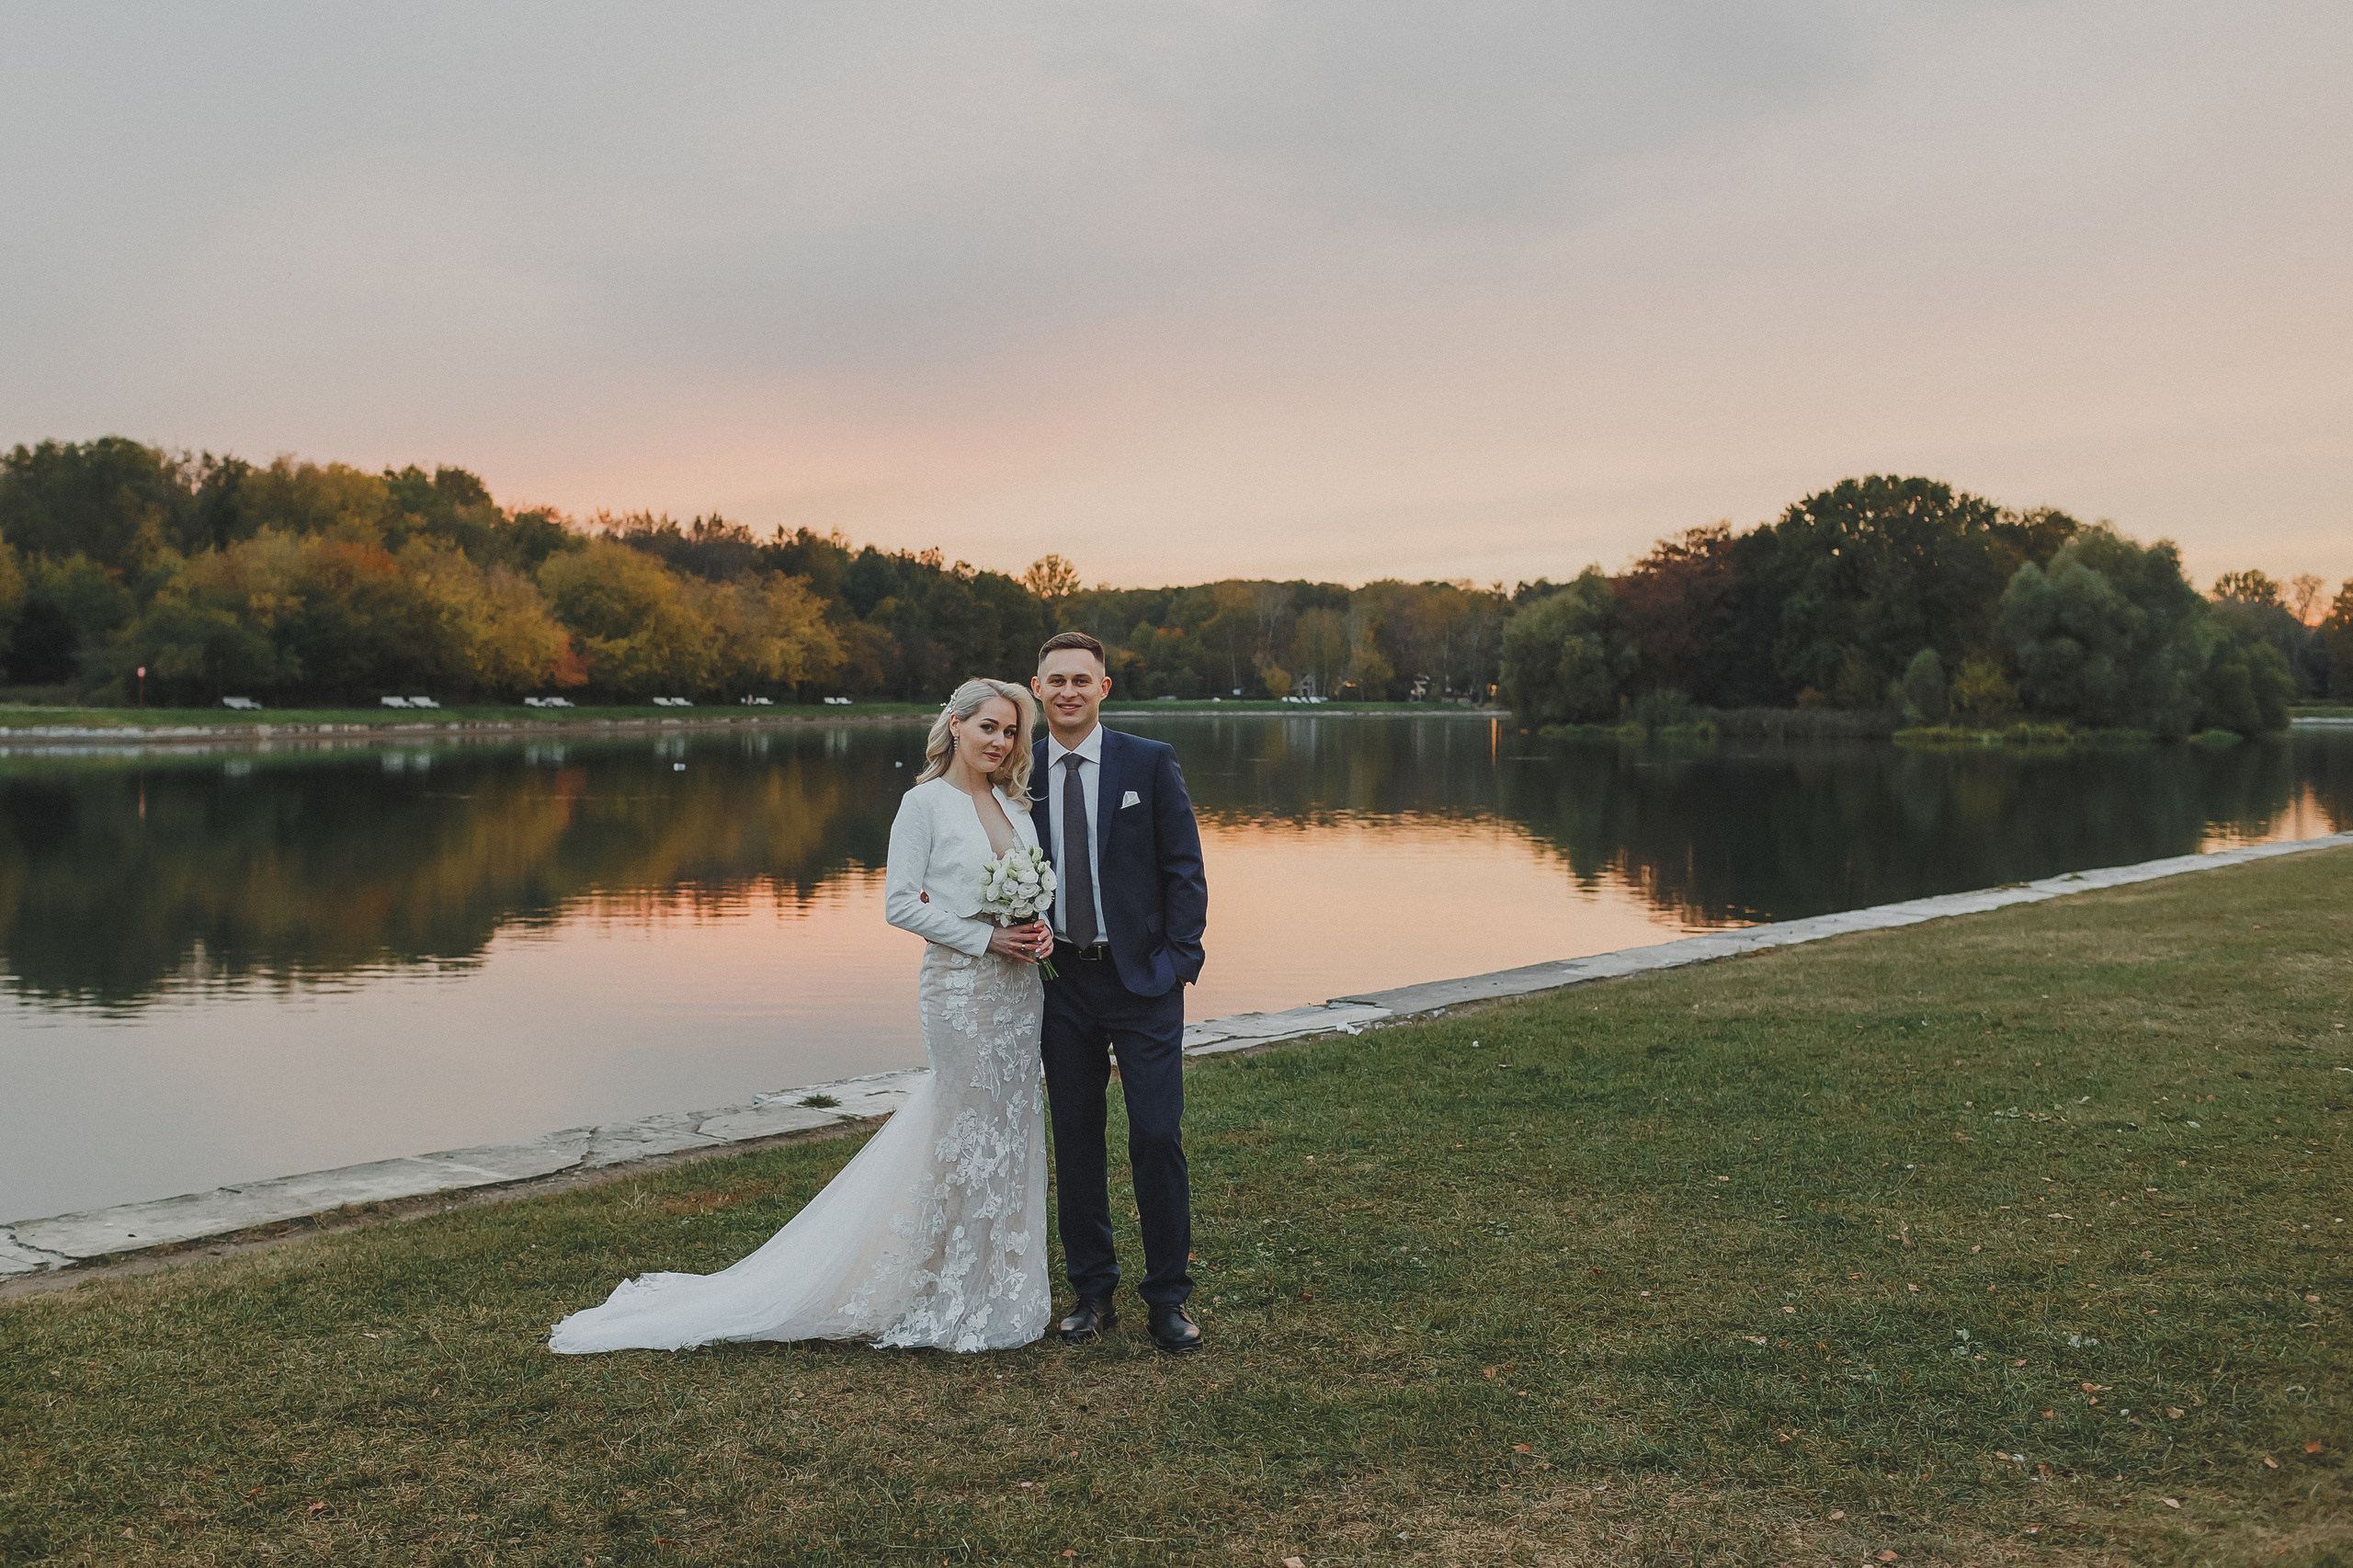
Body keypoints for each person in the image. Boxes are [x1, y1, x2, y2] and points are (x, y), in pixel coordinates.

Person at [548, 678, 1056, 1355]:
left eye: (1011, 731)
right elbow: (900, 904)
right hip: (961, 991)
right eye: (988, 727)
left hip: (1019, 994)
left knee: (1012, 1124)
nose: (1000, 741)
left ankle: (1002, 1288)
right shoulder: (923, 805)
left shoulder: (1015, 806)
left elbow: (1027, 889)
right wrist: (984, 937)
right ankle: (945, 1290)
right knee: (962, 1128)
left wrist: (1037, 927)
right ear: (955, 726)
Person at [1029, 631, 1210, 1353]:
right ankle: (1092, 1291)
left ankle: (1168, 1298)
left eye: (1082, 679)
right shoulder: (1016, 772)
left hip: (1143, 981)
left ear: (1104, 689)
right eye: (1055, 680)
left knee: (1157, 1135)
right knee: (1075, 1139)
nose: (1068, 691)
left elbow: (1184, 868)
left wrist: (1178, 962)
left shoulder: (1148, 762)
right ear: (1036, 688)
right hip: (1059, 981)